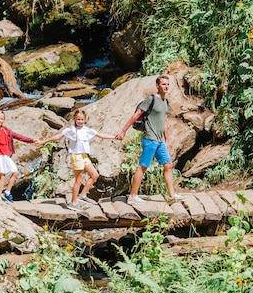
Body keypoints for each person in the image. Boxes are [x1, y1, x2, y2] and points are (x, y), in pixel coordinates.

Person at [115, 74, 185, 204]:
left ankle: (172, 195)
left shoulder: (165, 102)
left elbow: (164, 120)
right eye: (163, 84)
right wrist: (123, 131)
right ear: (157, 85)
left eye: (168, 84)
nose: (166, 86)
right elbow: (136, 115)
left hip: (160, 141)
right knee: (143, 166)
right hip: (150, 139)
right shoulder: (151, 99)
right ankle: (133, 196)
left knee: (168, 165)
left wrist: (167, 139)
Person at [40, 109, 116, 211]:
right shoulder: (71, 130)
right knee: (78, 180)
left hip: (84, 156)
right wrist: (44, 141)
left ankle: (83, 195)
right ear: (74, 119)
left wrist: (115, 137)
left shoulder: (86, 130)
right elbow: (58, 136)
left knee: (95, 175)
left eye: (82, 119)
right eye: (78, 119)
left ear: (85, 119)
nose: (80, 121)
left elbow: (100, 135)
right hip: (76, 156)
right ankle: (73, 203)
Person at [0, 110, 41, 202]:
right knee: (2, 176)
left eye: (1, 119)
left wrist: (32, 140)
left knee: (15, 173)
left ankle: (7, 192)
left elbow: (18, 136)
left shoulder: (6, 130)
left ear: (4, 120)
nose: (0, 120)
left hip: (5, 155)